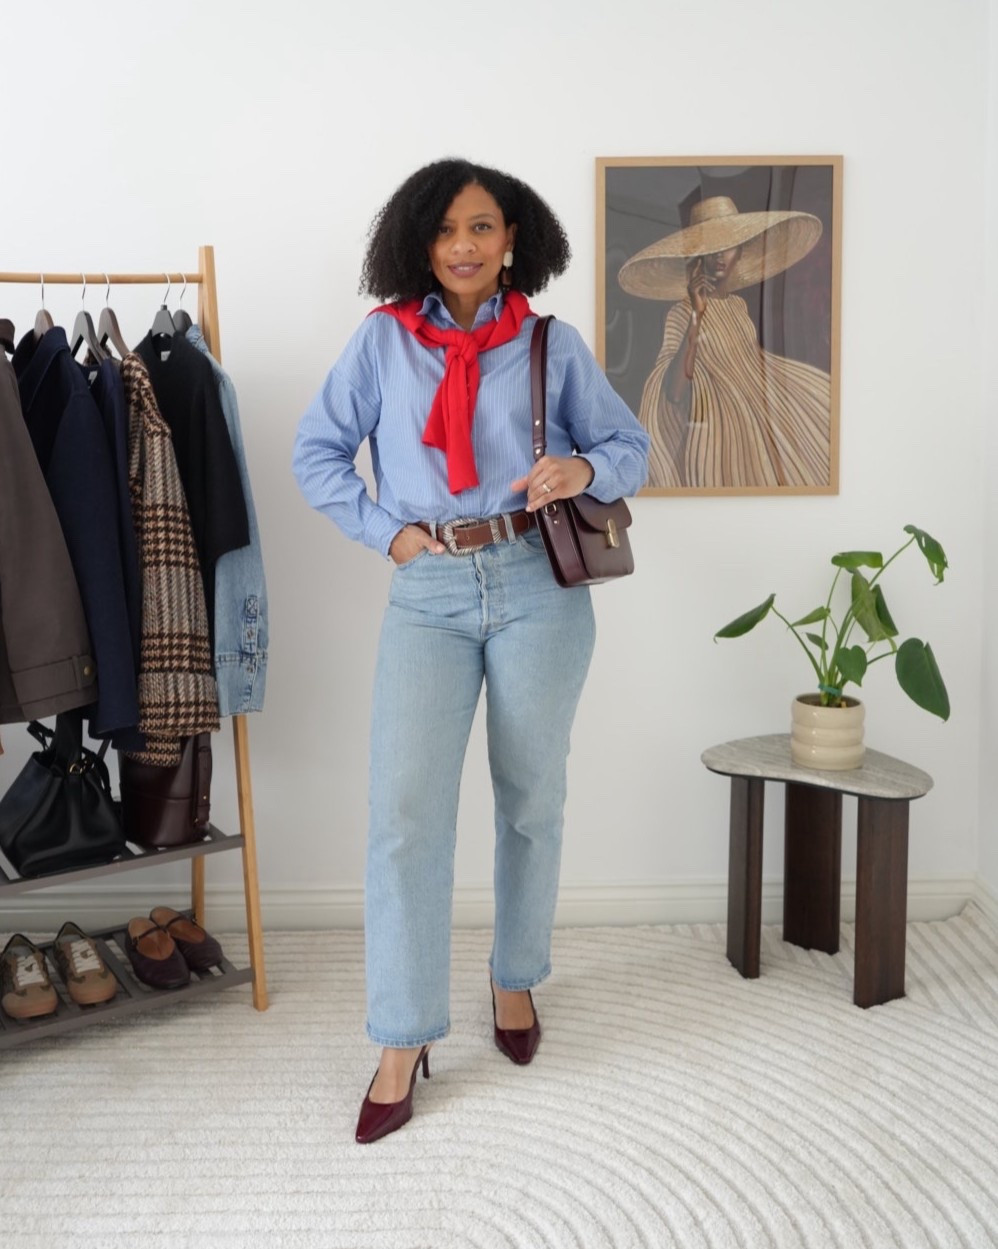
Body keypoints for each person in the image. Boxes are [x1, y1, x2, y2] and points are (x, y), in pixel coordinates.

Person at [293, 158, 649, 1144]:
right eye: (446, 229)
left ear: (511, 239)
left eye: (482, 227)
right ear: (417, 241)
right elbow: (314, 453)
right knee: (405, 815)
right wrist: (386, 533)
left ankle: (514, 977)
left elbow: (630, 451)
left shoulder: (548, 343)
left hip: (539, 585)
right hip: (429, 591)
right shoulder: (380, 344)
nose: (462, 245)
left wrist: (581, 462)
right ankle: (402, 1035)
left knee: (530, 796)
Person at [619, 195, 832, 489]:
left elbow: (752, 365)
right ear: (697, 257)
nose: (720, 255)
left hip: (761, 418)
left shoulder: (738, 308)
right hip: (720, 434)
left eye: (729, 245)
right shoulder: (681, 312)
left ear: (741, 252)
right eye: (711, 248)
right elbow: (674, 392)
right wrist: (696, 313)